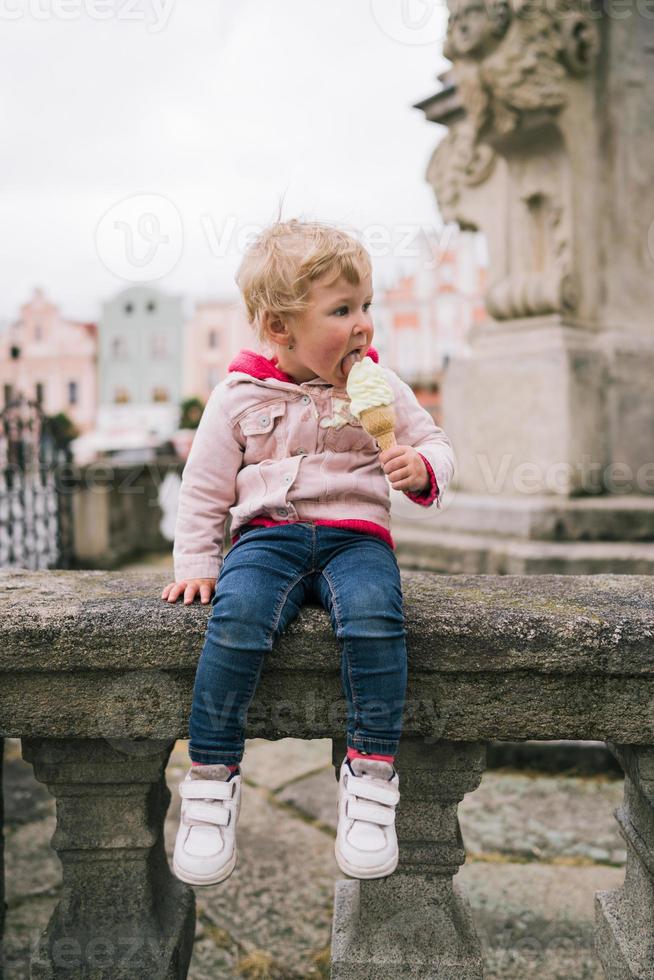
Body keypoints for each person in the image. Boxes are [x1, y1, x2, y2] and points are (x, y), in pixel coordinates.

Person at [162, 218, 455, 886]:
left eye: (367, 306)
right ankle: (210, 783)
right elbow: (203, 489)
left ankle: (371, 779)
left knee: (378, 621)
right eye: (342, 310)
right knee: (234, 626)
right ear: (279, 328)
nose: (363, 325)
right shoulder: (237, 397)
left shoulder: (380, 384)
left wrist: (422, 466)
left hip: (358, 537)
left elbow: (436, 441)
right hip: (268, 537)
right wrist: (198, 564)